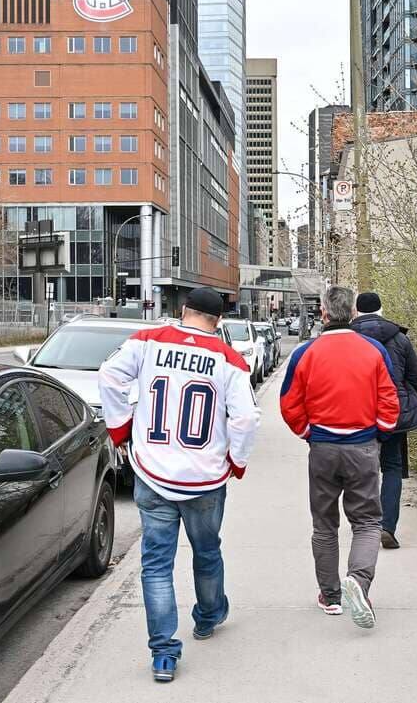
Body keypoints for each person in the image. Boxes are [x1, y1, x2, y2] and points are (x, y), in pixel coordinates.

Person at [98, 288, 261, 683]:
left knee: (156, 564)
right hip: (204, 478)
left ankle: (164, 654)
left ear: (182, 311)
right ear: (219, 321)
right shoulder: (230, 361)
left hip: (153, 473)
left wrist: (121, 429)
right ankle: (207, 616)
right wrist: (236, 462)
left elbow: (109, 376)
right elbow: (245, 420)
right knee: (206, 550)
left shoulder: (148, 342)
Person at [279, 285, 400, 629]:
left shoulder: (306, 353)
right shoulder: (374, 350)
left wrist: (308, 433)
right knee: (367, 521)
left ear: (324, 313)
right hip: (362, 446)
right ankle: (358, 583)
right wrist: (379, 433)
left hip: (323, 448)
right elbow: (390, 399)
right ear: (354, 313)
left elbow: (290, 402)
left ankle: (330, 596)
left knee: (324, 524)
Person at [351, 291, 417, 550]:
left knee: (361, 471)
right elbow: (416, 376)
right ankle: (387, 527)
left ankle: (363, 528)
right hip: (393, 413)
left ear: (356, 311)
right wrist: (403, 396)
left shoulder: (349, 338)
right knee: (392, 467)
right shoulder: (399, 338)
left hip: (359, 414)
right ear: (381, 309)